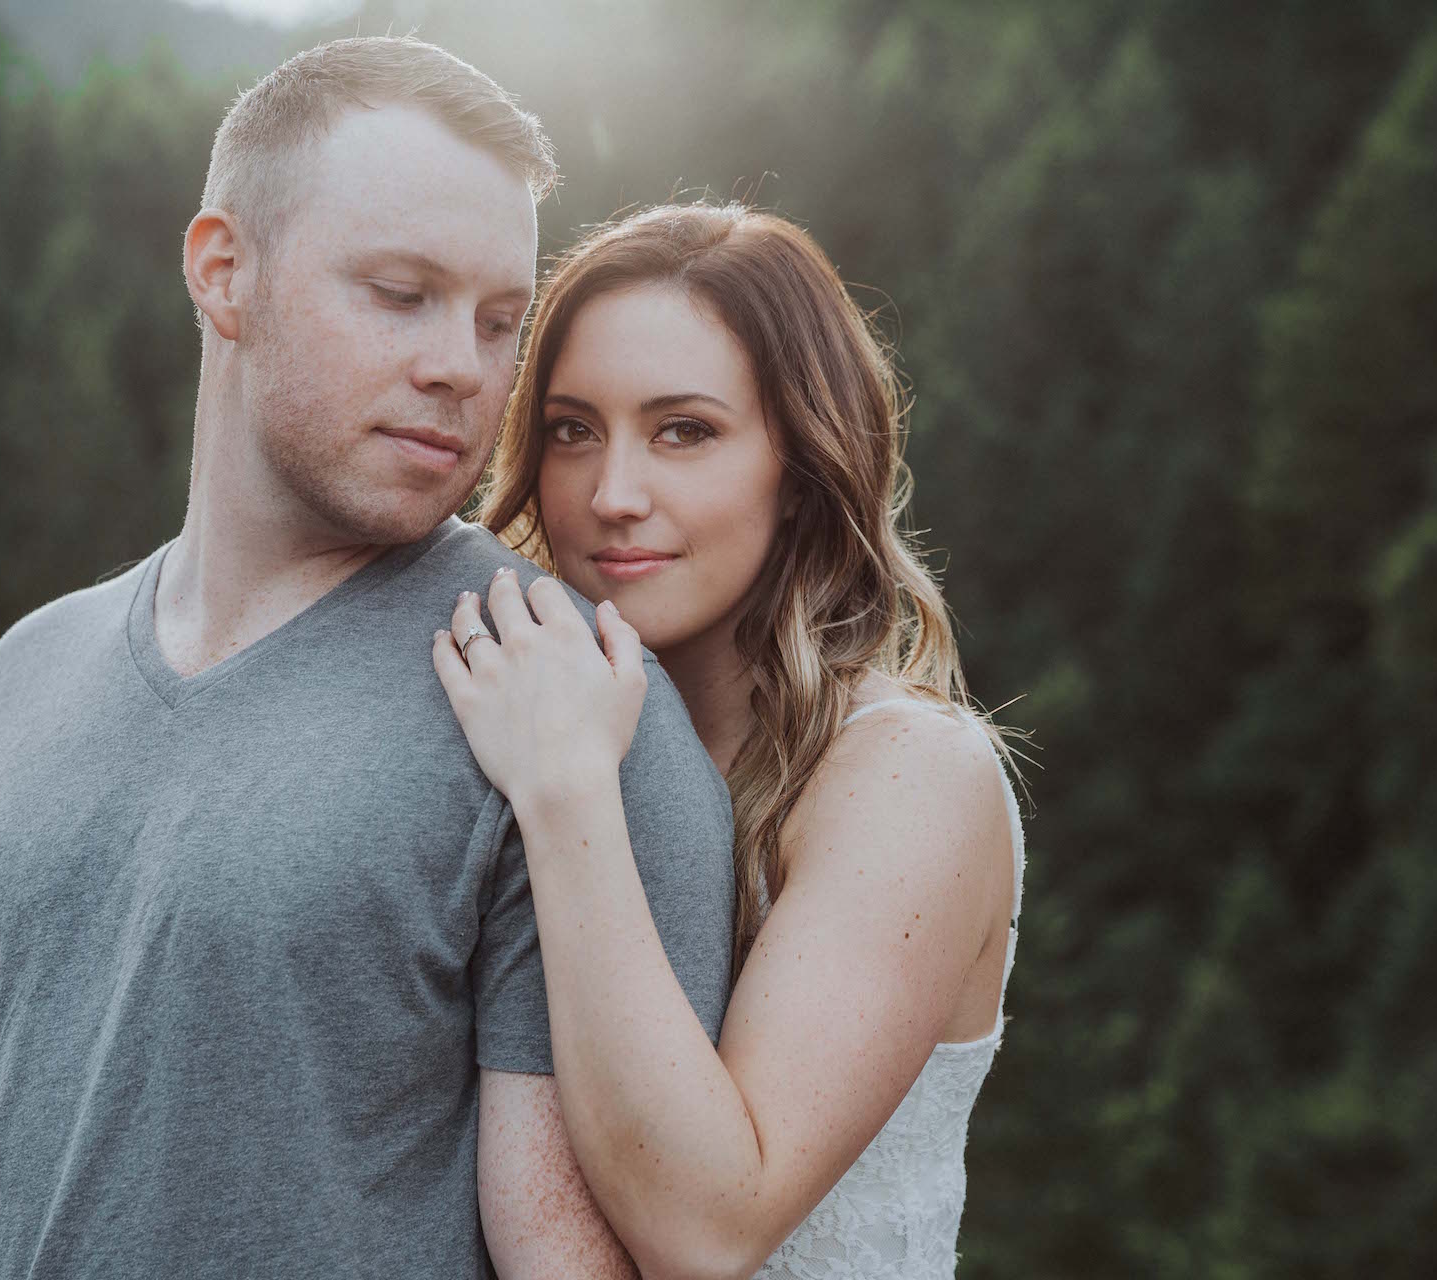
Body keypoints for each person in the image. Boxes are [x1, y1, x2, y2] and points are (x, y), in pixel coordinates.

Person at [0, 38, 734, 1280]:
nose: (464, 365)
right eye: (401, 293)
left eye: (504, 319)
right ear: (225, 272)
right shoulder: (30, 671)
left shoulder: (562, 697)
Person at [432, 203, 1026, 1279]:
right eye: (571, 429)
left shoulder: (909, 777)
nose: (613, 495)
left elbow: (707, 1227)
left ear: (800, 467)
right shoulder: (497, 719)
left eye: (684, 431)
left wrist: (567, 792)